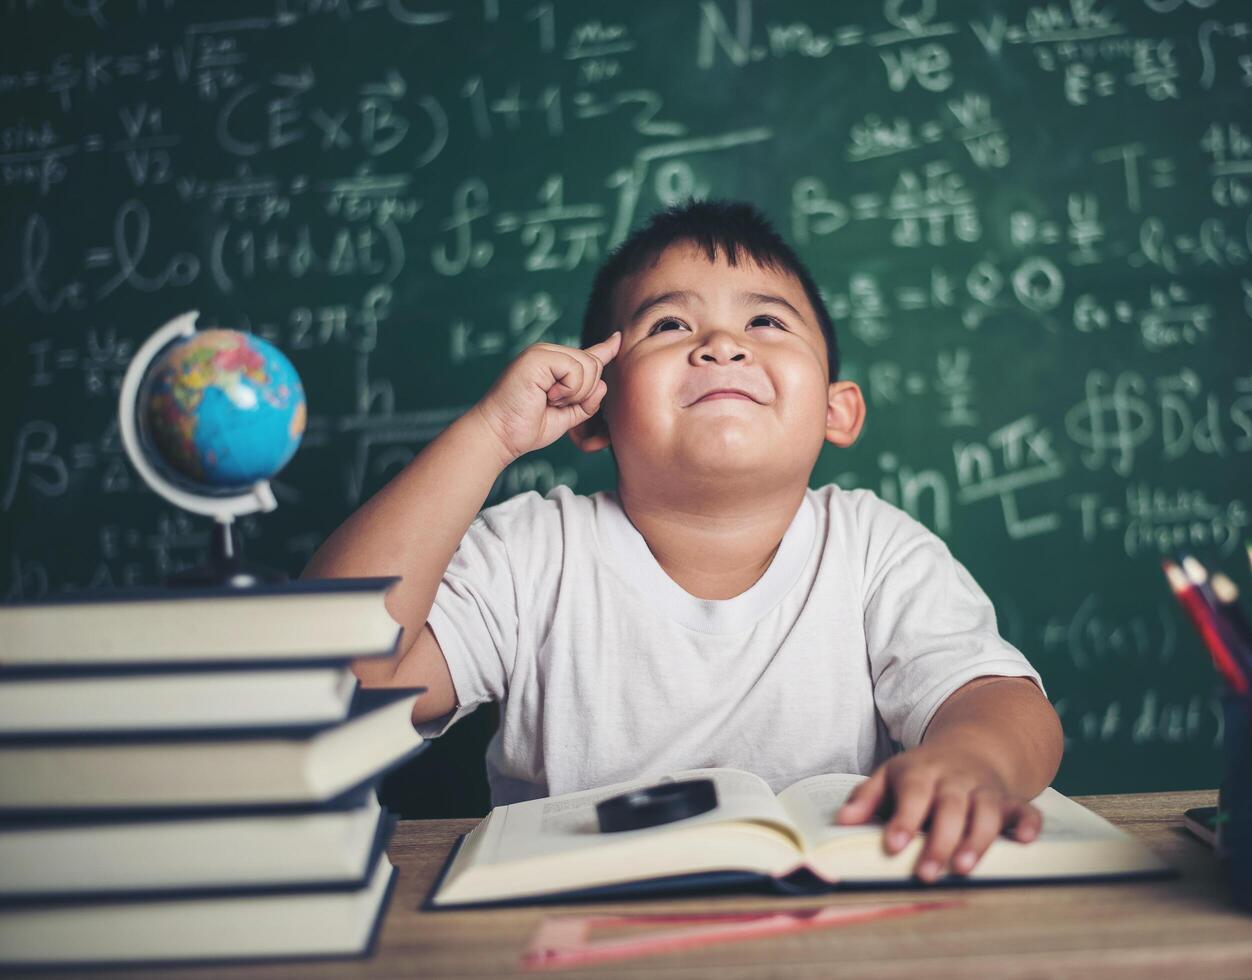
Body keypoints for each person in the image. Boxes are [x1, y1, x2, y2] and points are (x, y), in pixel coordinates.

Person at [303, 200, 1063, 883]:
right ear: (592, 414)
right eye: (669, 325)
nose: (721, 345)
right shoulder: (533, 551)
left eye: (765, 321)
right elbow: (332, 682)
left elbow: (997, 699)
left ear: (838, 410)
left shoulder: (874, 547)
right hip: (565, 933)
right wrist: (488, 435)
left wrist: (970, 761)